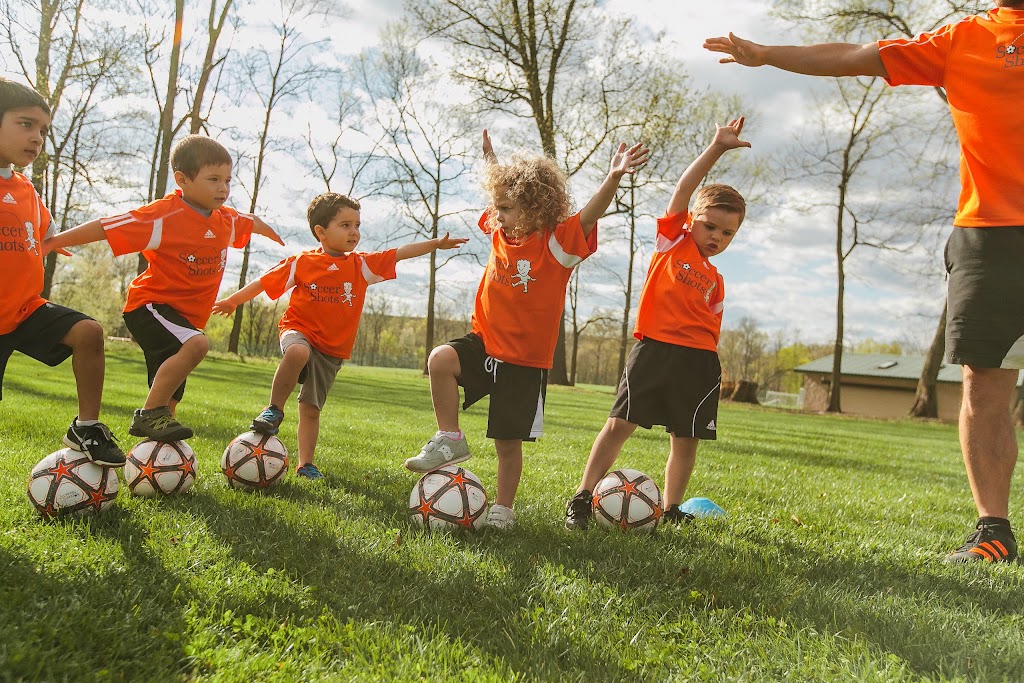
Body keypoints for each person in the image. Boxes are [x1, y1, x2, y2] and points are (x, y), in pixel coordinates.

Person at [705, 2, 1024, 563]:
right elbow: (855, 55)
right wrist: (766, 54)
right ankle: (993, 533)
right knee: (984, 385)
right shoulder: (962, 38)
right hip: (988, 235)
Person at [403, 130, 649, 530]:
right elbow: (500, 187)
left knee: (507, 443)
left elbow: (589, 215)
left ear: (536, 209)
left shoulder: (558, 245)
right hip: (484, 344)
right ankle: (450, 437)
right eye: (496, 206)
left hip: (524, 362)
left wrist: (614, 177)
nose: (497, 214)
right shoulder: (499, 231)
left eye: (506, 208)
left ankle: (503, 509)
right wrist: (491, 159)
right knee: (440, 359)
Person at [564, 118, 750, 531]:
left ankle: (671, 508)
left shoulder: (717, 280)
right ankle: (582, 496)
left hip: (699, 362)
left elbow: (712, 328)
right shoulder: (672, 242)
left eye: (727, 233)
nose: (716, 237)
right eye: (709, 226)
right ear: (691, 219)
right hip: (655, 350)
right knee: (619, 425)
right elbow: (684, 188)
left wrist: (708, 368)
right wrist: (717, 147)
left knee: (686, 439)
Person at [42, 135, 284, 443]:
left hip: (184, 319)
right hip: (150, 307)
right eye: (213, 179)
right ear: (182, 180)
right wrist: (55, 241)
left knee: (171, 398)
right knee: (196, 345)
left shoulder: (227, 220)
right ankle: (148, 414)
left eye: (227, 180)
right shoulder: (163, 216)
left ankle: (155, 454)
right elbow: (108, 226)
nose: (223, 188)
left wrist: (271, 232)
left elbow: (252, 221)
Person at [212, 192, 467, 480]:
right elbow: (263, 281)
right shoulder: (302, 262)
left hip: (331, 351)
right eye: (345, 225)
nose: (354, 232)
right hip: (299, 330)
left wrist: (436, 244)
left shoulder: (361, 265)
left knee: (311, 408)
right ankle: (273, 410)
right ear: (321, 232)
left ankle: (306, 464)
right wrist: (232, 301)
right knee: (298, 352)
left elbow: (399, 252)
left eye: (357, 225)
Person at [0, 78, 125, 466]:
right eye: (26, 124)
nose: (37, 138)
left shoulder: (27, 191)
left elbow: (46, 233)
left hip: (24, 310)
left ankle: (86, 427)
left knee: (88, 332)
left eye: (43, 130)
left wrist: (55, 241)